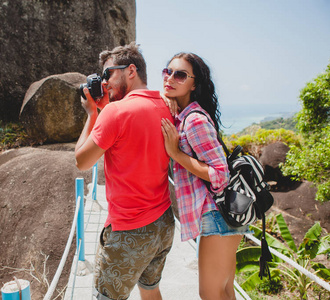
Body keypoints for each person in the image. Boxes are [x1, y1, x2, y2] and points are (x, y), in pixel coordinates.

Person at [75, 42, 175, 300]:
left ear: (131, 71)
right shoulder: (165, 105)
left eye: (108, 74)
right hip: (163, 222)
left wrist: (92, 114)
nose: (104, 82)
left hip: (130, 229)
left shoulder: (115, 113)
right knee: (150, 289)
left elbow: (82, 161)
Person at [160, 52, 252, 300]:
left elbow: (219, 175)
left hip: (217, 216)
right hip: (220, 215)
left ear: (194, 84)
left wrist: (176, 154)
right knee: (224, 291)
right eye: (167, 72)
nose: (170, 78)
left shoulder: (194, 121)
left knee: (210, 294)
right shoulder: (184, 116)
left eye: (180, 75)